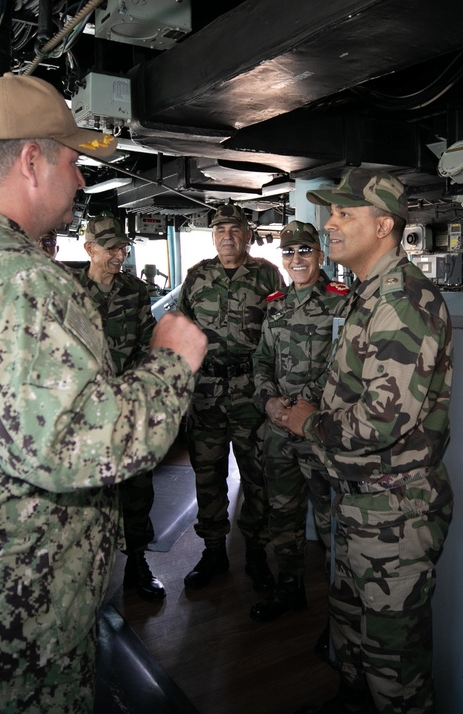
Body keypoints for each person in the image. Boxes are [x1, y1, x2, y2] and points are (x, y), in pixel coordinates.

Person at [0, 72, 207, 714]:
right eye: (73, 161)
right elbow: (82, 447)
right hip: (8, 635)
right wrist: (171, 361)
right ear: (31, 160)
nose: (81, 180)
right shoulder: (19, 280)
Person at [284, 169, 454, 714]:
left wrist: (307, 423)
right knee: (354, 641)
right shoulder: (370, 293)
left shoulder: (403, 300)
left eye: (343, 214)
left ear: (384, 225)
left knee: (395, 674)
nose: (328, 225)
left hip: (394, 514)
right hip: (361, 504)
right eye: (330, 213)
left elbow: (382, 421)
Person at [178, 203, 284, 591]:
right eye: (220, 229)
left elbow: (279, 332)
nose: (227, 236)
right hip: (205, 392)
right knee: (208, 474)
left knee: (257, 475)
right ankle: (213, 550)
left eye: (235, 229)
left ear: (248, 235)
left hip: (249, 392)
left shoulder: (268, 275)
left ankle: (256, 550)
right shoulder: (197, 277)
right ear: (212, 236)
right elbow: (181, 332)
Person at [248, 220, 348, 623]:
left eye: (304, 250)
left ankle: (339, 615)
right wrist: (269, 402)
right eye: (288, 252)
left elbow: (344, 366)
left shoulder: (341, 301)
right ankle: (290, 588)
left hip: (318, 432)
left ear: (320, 255)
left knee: (331, 522)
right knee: (282, 515)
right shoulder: (275, 305)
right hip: (279, 432)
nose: (296, 258)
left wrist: (302, 406)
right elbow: (261, 360)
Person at [77, 213, 165, 600]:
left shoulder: (135, 291)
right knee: (85, 493)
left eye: (122, 248)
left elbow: (149, 342)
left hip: (126, 406)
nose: (119, 255)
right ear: (89, 249)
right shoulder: (68, 291)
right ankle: (83, 570)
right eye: (110, 248)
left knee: (136, 486)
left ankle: (136, 562)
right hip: (83, 412)